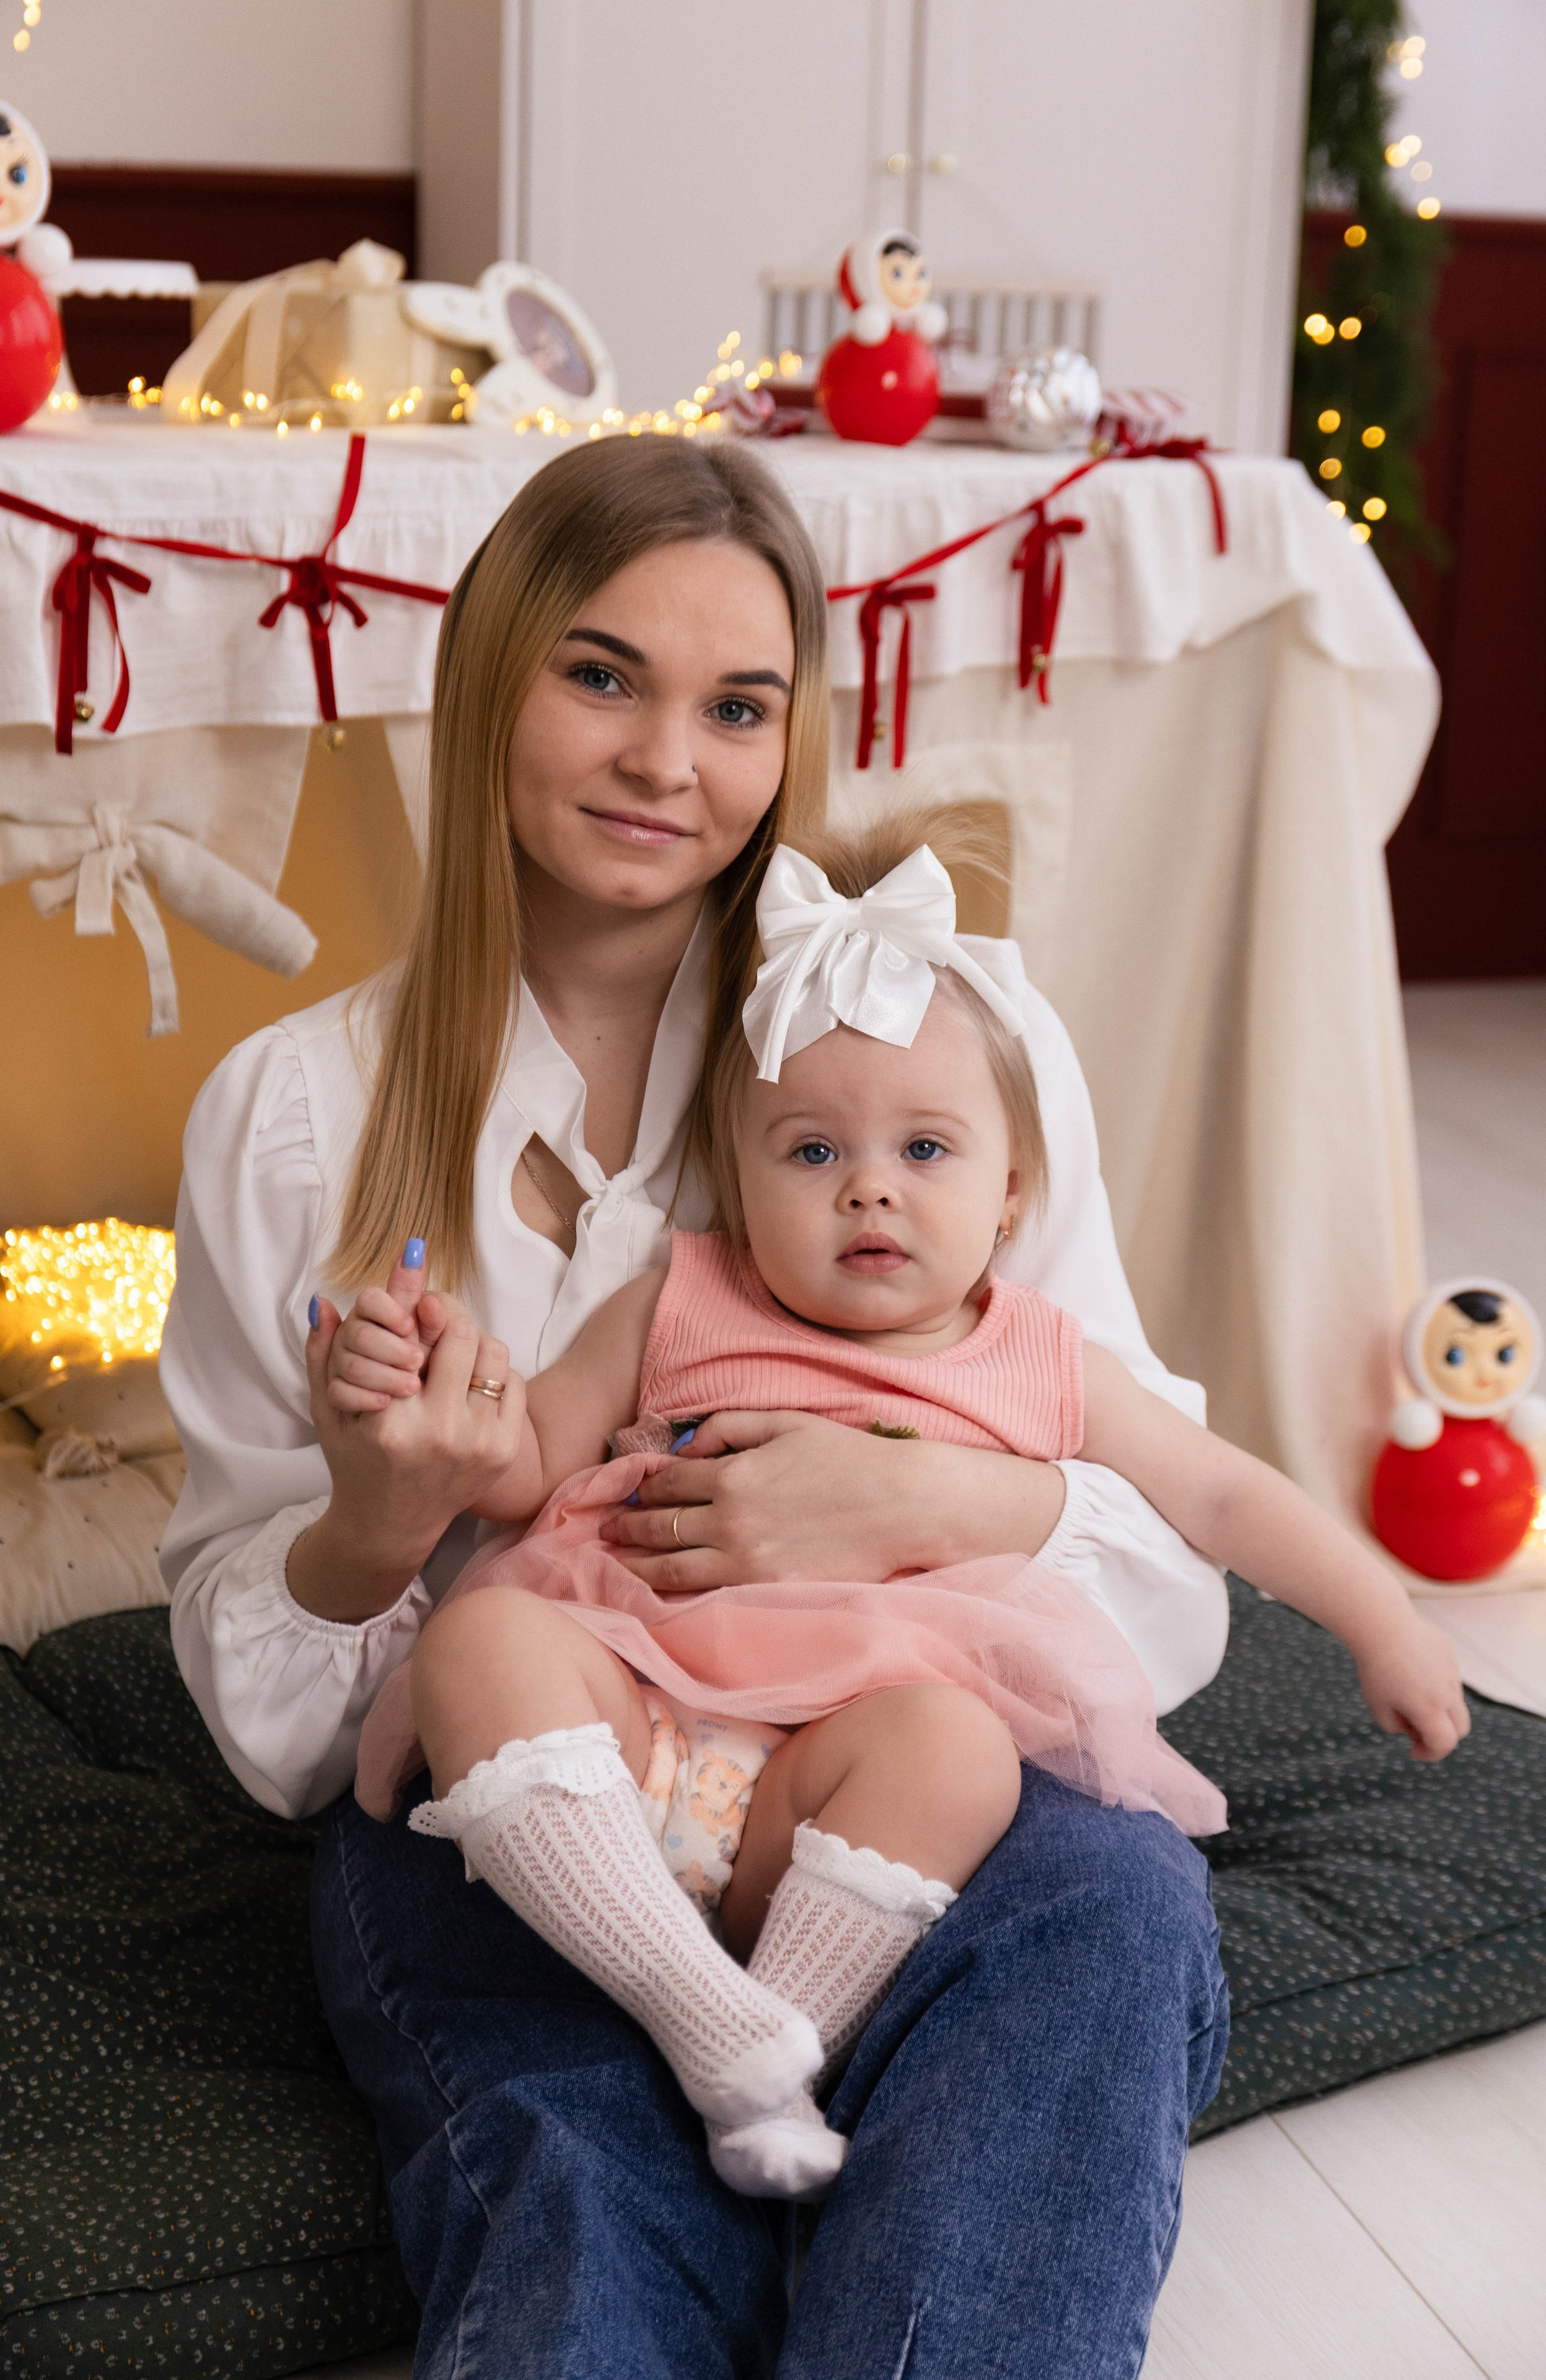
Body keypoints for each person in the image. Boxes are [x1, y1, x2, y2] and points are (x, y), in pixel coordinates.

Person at [162, 434, 1236, 2376]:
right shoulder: (295, 1116)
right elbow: (288, 1749)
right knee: (583, 2186)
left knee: (1117, 1919)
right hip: (539, 1818)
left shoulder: (941, 1043)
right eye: (601, 677)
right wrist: (377, 1523)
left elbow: (1171, 1579)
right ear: (488, 673)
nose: (671, 761)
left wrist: (933, 1506)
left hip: (907, 1769)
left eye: (737, 706)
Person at [326, 818, 1465, 2206]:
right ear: (735, 1189)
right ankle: (708, 2022)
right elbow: (521, 1469)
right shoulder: (680, 1295)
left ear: (1008, 1200)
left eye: (925, 1148)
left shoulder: (1036, 1356)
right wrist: (443, 1391)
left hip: (828, 1790)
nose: (868, 1184)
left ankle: (773, 2038)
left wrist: (1380, 1620)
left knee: (958, 1747)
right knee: (474, 1644)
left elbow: (1219, 1489)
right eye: (808, 1153)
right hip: (626, 1727)